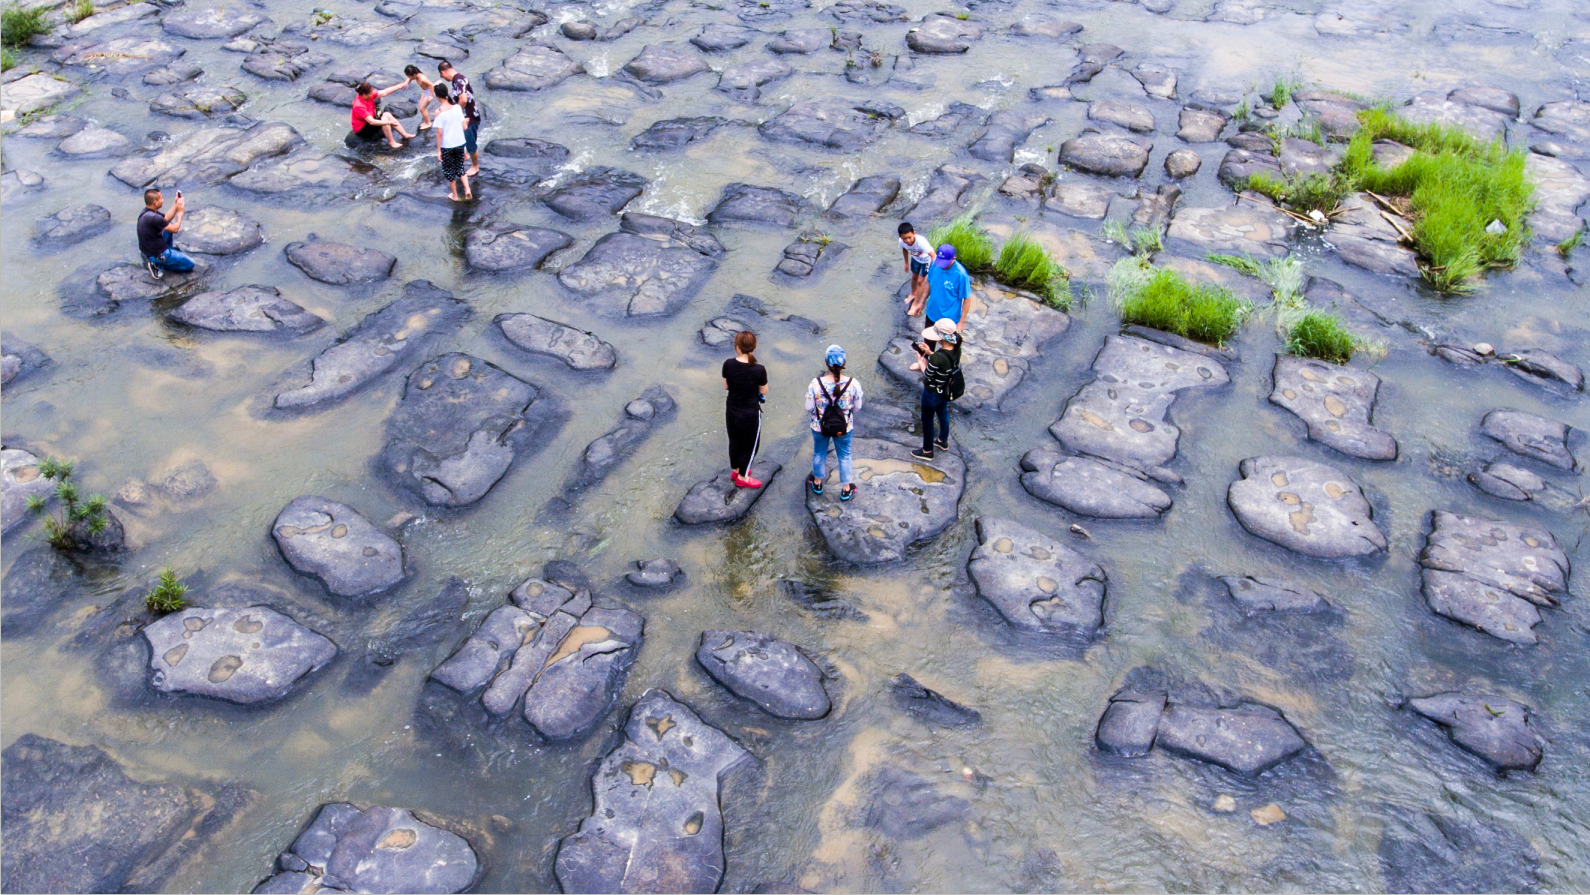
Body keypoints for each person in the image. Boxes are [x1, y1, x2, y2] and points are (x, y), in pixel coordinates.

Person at [805, 344, 865, 501]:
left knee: (819, 452)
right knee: (844, 455)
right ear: (844, 363)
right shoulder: (853, 384)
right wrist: (847, 413)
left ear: (826, 362)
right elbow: (858, 407)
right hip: (844, 427)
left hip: (819, 427)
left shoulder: (815, 383)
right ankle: (846, 488)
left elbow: (808, 408)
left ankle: (817, 482)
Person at [723, 331, 768, 489]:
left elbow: (726, 386)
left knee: (734, 441)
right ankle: (743, 476)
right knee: (750, 445)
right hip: (750, 413)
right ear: (754, 348)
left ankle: (735, 470)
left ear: (737, 347)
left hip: (732, 410)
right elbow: (764, 391)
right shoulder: (759, 369)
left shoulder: (728, 364)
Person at [912, 319, 961, 461]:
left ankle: (927, 450)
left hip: (932, 392)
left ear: (940, 337)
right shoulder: (957, 348)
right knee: (943, 413)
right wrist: (930, 353)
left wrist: (921, 362)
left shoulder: (937, 358)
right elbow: (944, 362)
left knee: (927, 420)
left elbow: (927, 376)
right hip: (945, 390)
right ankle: (942, 441)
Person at [437, 60, 480, 176]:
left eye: (442, 75)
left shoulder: (458, 81)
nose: (444, 78)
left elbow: (463, 99)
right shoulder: (459, 78)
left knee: (471, 142)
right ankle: (465, 155)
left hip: (469, 117)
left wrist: (456, 113)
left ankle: (475, 166)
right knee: (461, 136)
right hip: (469, 115)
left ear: (443, 72)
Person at [137, 187, 193, 276]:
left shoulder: (147, 213)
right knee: (190, 264)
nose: (163, 200)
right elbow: (175, 229)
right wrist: (180, 213)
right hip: (157, 254)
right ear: (155, 203)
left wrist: (176, 204)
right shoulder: (154, 217)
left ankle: (165, 255)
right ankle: (158, 265)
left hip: (148, 249)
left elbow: (165, 218)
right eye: (161, 198)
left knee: (167, 223)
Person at [432, 84, 472, 201]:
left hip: (447, 145)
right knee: (460, 168)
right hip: (459, 143)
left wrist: (438, 150)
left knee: (450, 171)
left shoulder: (439, 112)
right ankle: (467, 189)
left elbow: (439, 133)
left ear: (437, 96)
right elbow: (464, 126)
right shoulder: (457, 108)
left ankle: (454, 195)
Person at [350, 81, 414, 149]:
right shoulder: (359, 105)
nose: (372, 94)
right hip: (362, 128)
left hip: (370, 119)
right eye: (370, 93)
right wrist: (388, 123)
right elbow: (371, 122)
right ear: (364, 94)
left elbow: (384, 92)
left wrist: (398, 86)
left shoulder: (367, 96)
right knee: (384, 119)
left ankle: (405, 135)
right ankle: (392, 142)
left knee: (387, 114)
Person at [924, 243, 973, 333]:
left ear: (953, 259)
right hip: (932, 313)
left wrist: (961, 322)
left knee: (949, 346)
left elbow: (967, 298)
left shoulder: (961, 275)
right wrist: (921, 302)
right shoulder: (935, 264)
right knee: (928, 343)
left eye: (945, 263)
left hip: (949, 320)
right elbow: (929, 282)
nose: (942, 266)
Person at [898, 222, 935, 319]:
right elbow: (904, 249)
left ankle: (915, 304)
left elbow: (933, 256)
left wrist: (932, 269)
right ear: (900, 237)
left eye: (909, 237)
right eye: (904, 238)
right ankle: (912, 294)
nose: (908, 241)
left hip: (926, 261)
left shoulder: (921, 242)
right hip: (916, 259)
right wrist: (906, 263)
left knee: (920, 282)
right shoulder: (902, 241)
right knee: (914, 278)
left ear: (914, 233)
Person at [402, 65, 437, 130]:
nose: (409, 78)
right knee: (420, 106)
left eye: (410, 76)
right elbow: (409, 78)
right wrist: (406, 82)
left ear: (414, 74)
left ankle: (428, 123)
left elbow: (431, 85)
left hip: (429, 92)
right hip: (425, 91)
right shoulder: (415, 75)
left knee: (422, 108)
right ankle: (426, 121)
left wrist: (431, 96)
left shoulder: (422, 79)